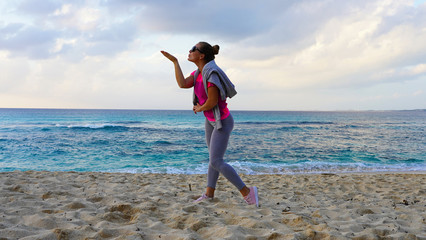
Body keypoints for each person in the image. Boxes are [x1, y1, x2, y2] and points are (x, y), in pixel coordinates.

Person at [161, 42, 259, 207]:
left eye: (194, 49)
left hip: (222, 122)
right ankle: (209, 194)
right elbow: (183, 83)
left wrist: (199, 107)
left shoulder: (211, 74)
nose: (190, 51)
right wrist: (175, 62)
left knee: (216, 161)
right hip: (211, 121)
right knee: (213, 159)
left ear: (202, 56)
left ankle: (248, 192)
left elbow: (212, 101)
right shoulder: (199, 72)